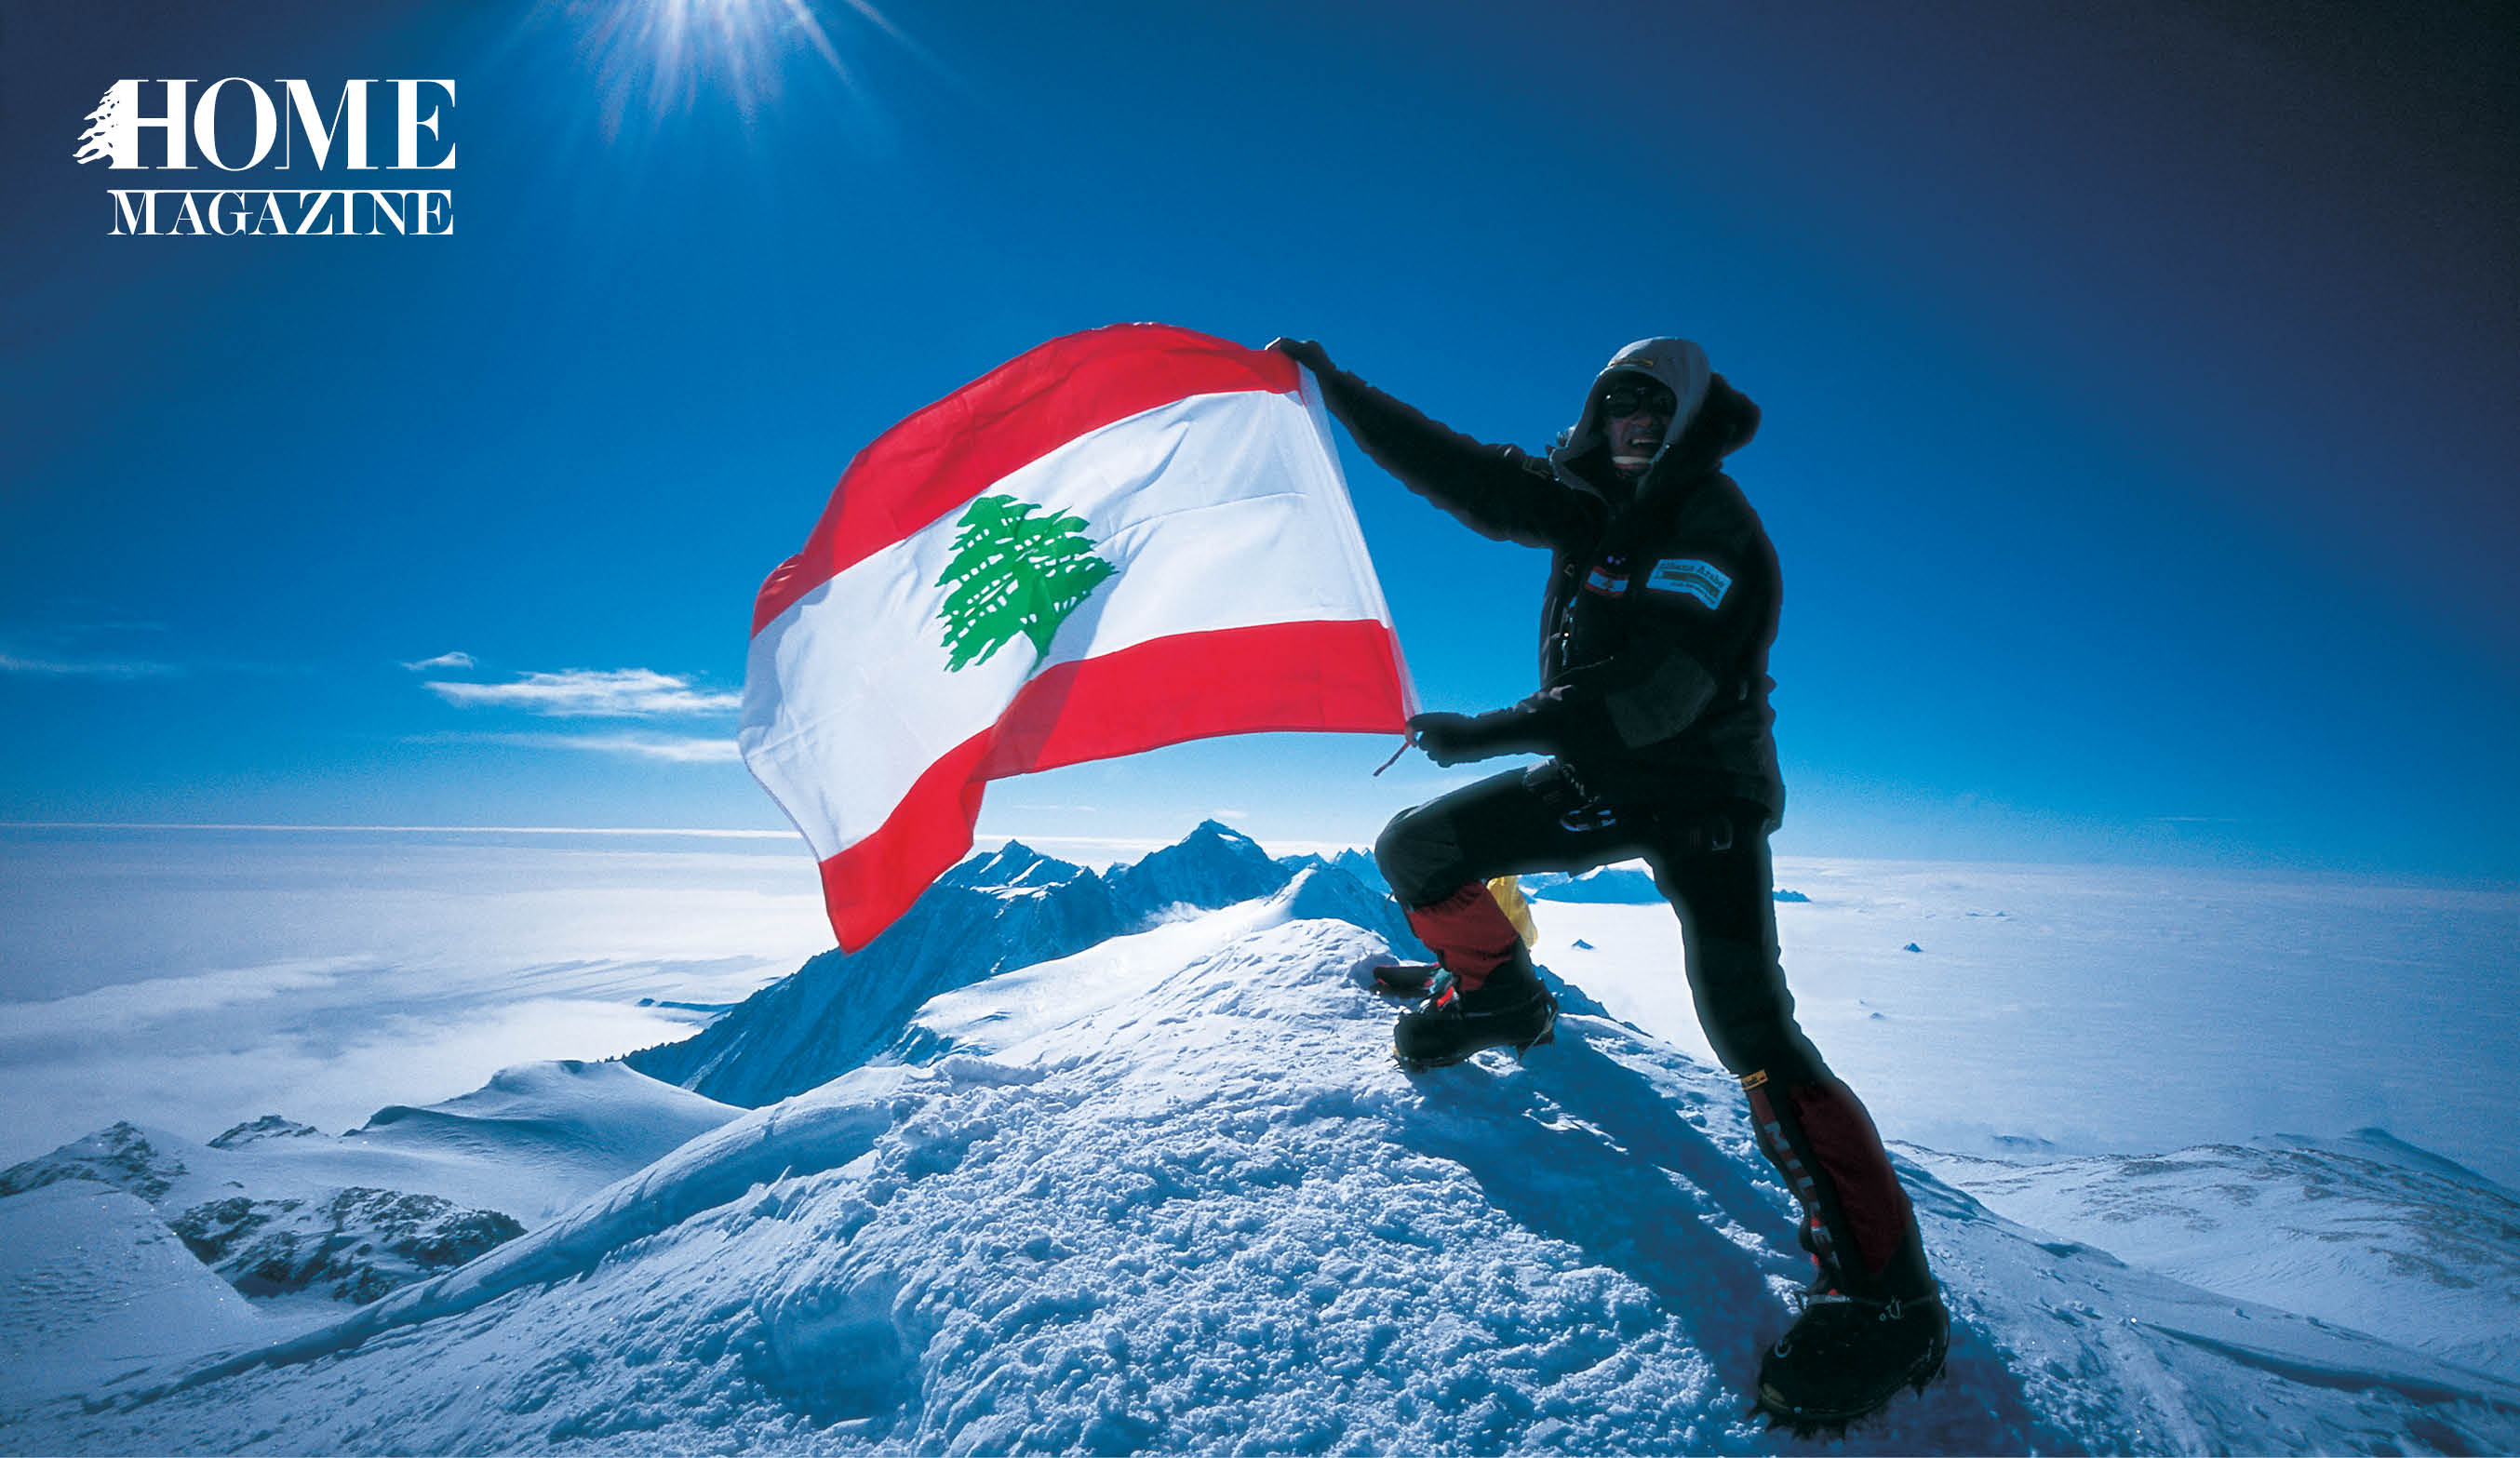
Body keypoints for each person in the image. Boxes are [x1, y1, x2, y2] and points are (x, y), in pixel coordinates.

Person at [1269, 335, 1948, 1426]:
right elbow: (1469, 477)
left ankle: (1890, 1297)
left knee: (1750, 1028)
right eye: (1615, 399)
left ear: (1681, 422)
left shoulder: (1710, 528)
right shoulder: (1587, 504)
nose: (1632, 417)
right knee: (1419, 852)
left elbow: (1653, 694)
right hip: (1601, 774)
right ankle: (1497, 996)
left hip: (1699, 793)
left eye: (1652, 404)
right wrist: (1334, 390)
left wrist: (1487, 732)